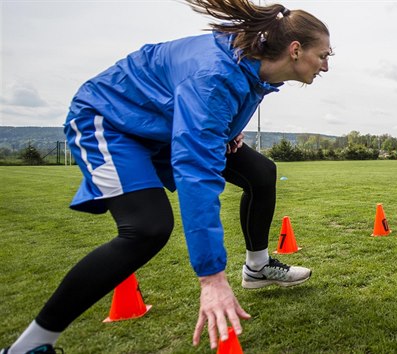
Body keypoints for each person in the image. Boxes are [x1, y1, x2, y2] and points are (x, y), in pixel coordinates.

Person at [2, 1, 332, 353]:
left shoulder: (250, 63)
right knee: (147, 228)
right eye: (323, 55)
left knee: (261, 173)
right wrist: (211, 277)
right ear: (295, 50)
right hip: (110, 121)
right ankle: (28, 346)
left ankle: (257, 267)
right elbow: (197, 174)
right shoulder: (214, 76)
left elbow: (226, 95)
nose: (327, 65)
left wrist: (230, 128)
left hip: (160, 124)